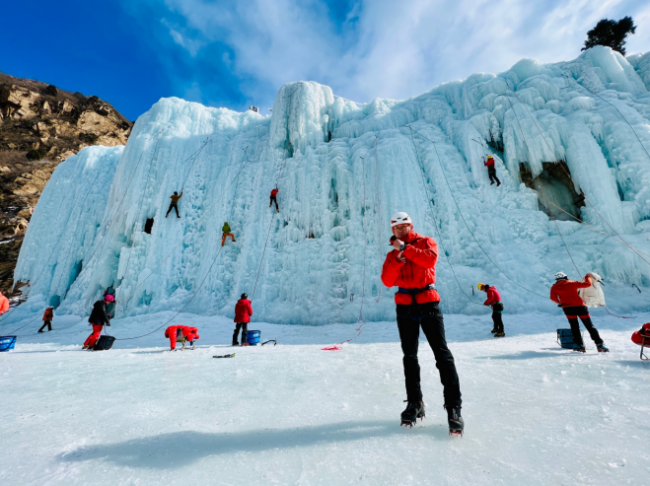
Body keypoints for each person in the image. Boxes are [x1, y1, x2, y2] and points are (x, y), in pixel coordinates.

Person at [381, 212, 464, 435]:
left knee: (442, 354)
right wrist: (397, 261)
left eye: (403, 226)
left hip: (428, 303)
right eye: (396, 228)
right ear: (393, 231)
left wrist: (405, 249)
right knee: (410, 356)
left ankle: (453, 408)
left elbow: (430, 259)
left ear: (410, 226)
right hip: (405, 307)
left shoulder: (426, 242)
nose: (400, 230)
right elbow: (387, 280)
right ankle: (415, 403)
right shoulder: (392, 255)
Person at [550, 272, 609, 353]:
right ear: (566, 277)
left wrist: (560, 302)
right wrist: (588, 276)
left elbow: (553, 298)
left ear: (556, 279)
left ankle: (579, 346)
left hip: (568, 308)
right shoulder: (572, 283)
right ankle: (600, 345)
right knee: (589, 325)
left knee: (574, 326)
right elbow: (587, 284)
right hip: (580, 307)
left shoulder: (554, 287)